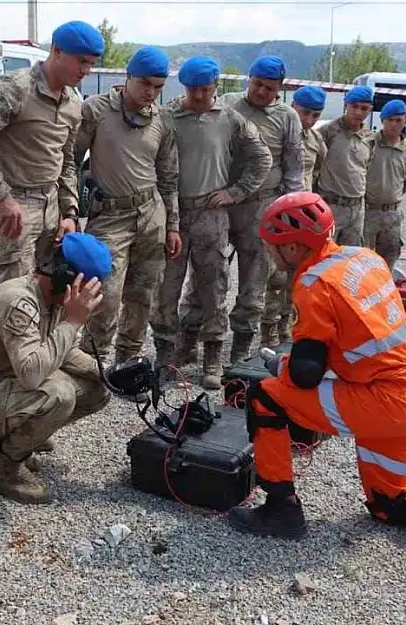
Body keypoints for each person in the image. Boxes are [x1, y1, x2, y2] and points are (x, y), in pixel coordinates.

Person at [226, 191, 406, 566]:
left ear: (295, 248)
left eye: (275, 246)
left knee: (266, 395)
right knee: (387, 504)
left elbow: (304, 375)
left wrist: (280, 366)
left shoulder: (313, 284)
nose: (271, 253)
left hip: (381, 403)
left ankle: (280, 509)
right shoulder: (363, 257)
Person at [0, 232, 113, 504]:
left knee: (97, 388)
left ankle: (21, 441)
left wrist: (109, 375)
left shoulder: (54, 298)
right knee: (58, 394)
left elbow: (63, 352)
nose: (92, 300)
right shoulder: (17, 300)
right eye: (90, 290)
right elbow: (32, 374)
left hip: (4, 389)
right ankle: (3, 470)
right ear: (68, 278)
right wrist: (73, 322)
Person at [148, 56, 271, 389]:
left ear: (216, 87)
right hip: (173, 212)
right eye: (192, 90)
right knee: (166, 287)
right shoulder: (168, 116)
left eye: (204, 89)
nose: (199, 96)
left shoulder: (231, 120)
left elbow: (262, 157)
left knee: (213, 286)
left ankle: (212, 358)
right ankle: (166, 357)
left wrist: (237, 192)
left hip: (211, 214)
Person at [0, 20, 103, 285]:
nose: (86, 70)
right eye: (81, 61)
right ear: (57, 51)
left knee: (52, 290)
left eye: (91, 63)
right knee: (13, 298)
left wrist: (69, 213)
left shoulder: (73, 102)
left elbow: (67, 159)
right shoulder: (15, 90)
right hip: (15, 206)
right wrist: (1, 197)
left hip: (52, 206)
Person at [186, 55, 303, 364]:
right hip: (220, 204)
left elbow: (294, 169)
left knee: (255, 282)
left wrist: (289, 214)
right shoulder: (227, 103)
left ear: (280, 88)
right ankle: (192, 340)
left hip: (262, 208)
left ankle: (240, 349)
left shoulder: (287, 117)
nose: (261, 92)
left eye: (269, 87)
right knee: (207, 276)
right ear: (248, 80)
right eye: (257, 84)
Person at [74, 46, 181, 365]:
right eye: (145, 83)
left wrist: (173, 225)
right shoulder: (96, 110)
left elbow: (169, 176)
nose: (151, 92)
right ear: (128, 77)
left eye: (158, 87)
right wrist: (69, 210)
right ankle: (92, 362)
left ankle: (128, 359)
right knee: (105, 294)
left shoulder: (163, 120)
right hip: (110, 216)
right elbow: (71, 160)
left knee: (144, 292)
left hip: (151, 214)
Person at [261, 84, 328, 349]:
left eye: (315, 115)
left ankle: (285, 324)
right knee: (274, 275)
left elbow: (317, 175)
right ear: (293, 107)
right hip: (280, 216)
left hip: (305, 220)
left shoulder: (316, 141)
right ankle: (267, 327)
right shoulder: (278, 130)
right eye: (304, 113)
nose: (308, 120)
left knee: (299, 276)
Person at [316, 85, 376, 246]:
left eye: (364, 108)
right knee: (323, 255)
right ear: (346, 105)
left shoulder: (370, 138)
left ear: (369, 110)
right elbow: (314, 165)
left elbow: (367, 169)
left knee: (349, 258)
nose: (358, 112)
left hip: (356, 209)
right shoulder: (328, 131)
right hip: (331, 206)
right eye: (354, 106)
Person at [363, 99, 406, 270]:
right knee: (361, 260)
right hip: (368, 211)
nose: (394, 124)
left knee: (388, 260)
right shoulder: (370, 143)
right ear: (382, 121)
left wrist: (393, 196)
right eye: (390, 120)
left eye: (398, 120)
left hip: (392, 215)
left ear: (405, 121)